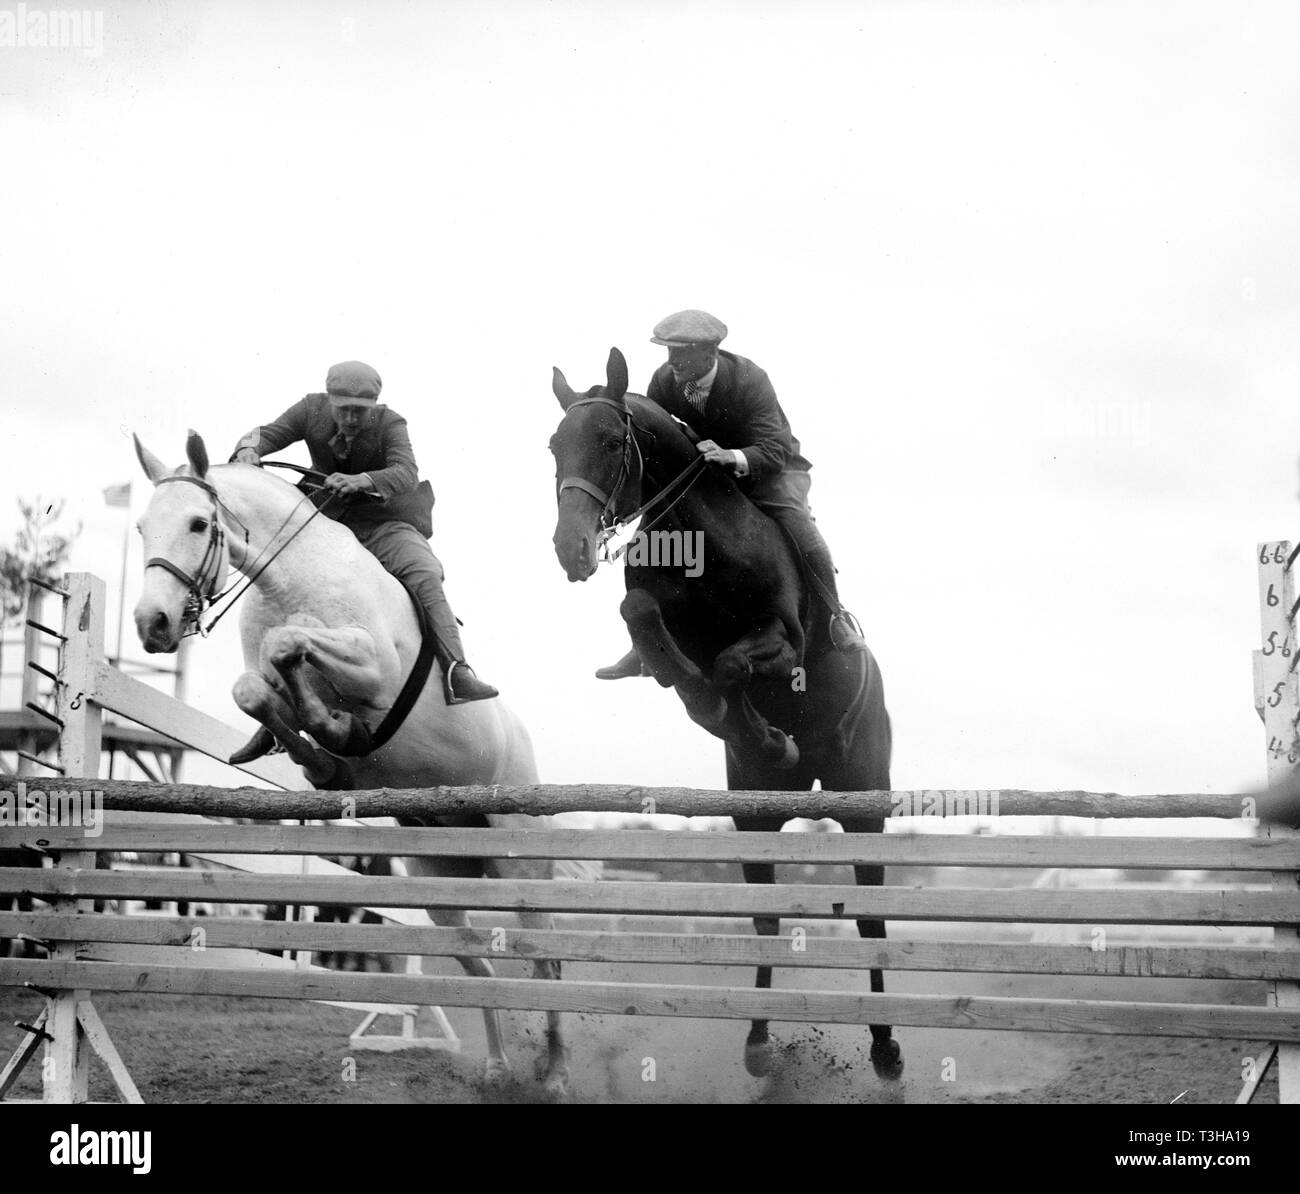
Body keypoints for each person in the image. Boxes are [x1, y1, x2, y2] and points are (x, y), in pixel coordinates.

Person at [597, 310, 866, 679]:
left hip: (770, 468)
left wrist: (731, 457)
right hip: (707, 472)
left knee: (798, 523)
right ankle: (643, 645)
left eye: (681, 352)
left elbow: (775, 446)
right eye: (668, 351)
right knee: (651, 536)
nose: (672, 361)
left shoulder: (749, 379)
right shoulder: (665, 380)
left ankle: (837, 616)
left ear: (710, 353)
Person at [231, 360, 498, 704]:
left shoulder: (390, 423)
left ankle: (457, 671)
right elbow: (267, 434)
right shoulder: (309, 409)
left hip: (382, 525)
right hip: (325, 524)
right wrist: (249, 450)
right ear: (329, 400)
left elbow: (406, 473)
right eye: (344, 410)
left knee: (425, 572)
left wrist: (363, 481)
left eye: (361, 411)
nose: (352, 419)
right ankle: (271, 698)